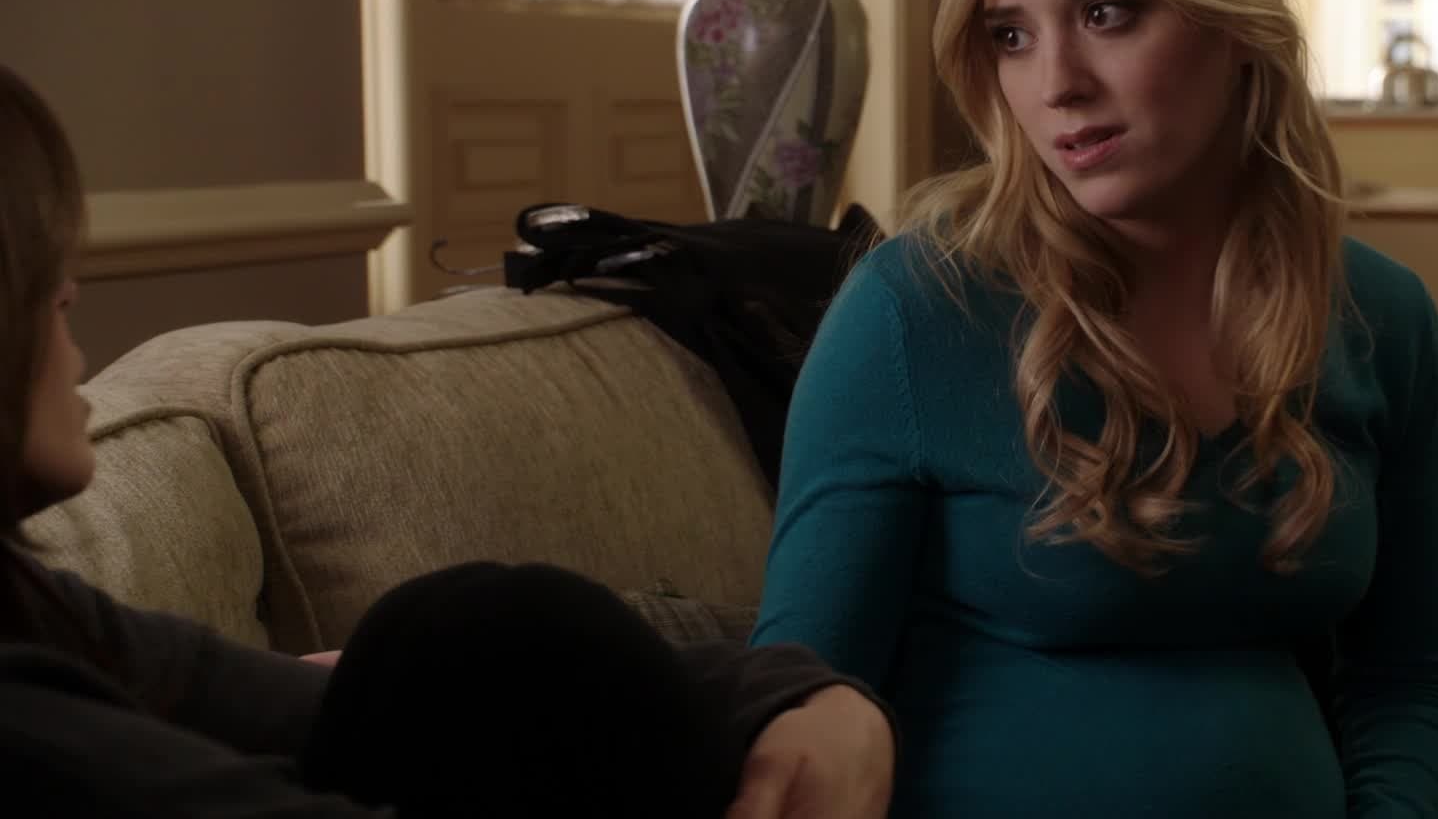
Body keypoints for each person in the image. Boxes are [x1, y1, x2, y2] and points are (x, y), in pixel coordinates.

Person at [750, 0, 1438, 818]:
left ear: (1242, 7)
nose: (1056, 85)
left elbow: (1408, 684)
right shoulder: (916, 309)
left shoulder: (1384, 319)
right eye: (1010, 35)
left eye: (1108, 13)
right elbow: (803, 693)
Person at [0, 64, 895, 818]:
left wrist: (789, 694)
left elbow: (270, 694)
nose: (71, 307)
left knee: (478, 634)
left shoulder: (40, 610)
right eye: (44, 285)